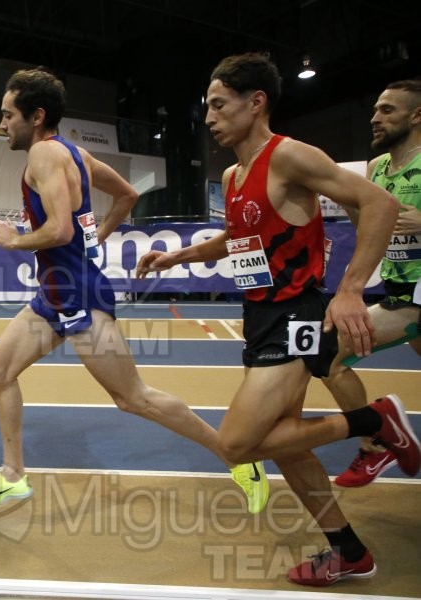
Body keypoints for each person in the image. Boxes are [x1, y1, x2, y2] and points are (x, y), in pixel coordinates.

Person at [136, 53, 419, 587]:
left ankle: (375, 420)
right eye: (207, 108)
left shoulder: (289, 156)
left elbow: (377, 204)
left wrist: (352, 290)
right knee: (289, 445)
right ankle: (348, 551)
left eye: (220, 105)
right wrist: (175, 258)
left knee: (238, 445)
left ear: (256, 102)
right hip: (259, 317)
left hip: (295, 315)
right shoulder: (233, 173)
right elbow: (237, 241)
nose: (210, 118)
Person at [0, 67, 270, 515]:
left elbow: (57, 228)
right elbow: (127, 195)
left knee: (133, 397)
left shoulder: (44, 156)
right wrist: (93, 242)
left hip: (79, 296)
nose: (2, 124)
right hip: (56, 293)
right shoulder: (78, 155)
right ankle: (13, 476)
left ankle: (237, 456)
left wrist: (14, 239)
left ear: (36, 116)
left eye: (8, 115)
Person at [322, 79, 421, 487]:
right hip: (400, 295)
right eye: (376, 109)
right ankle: (379, 441)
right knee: (330, 357)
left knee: (329, 355)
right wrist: (345, 199)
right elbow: (370, 232)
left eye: (387, 111)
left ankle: (375, 444)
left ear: (417, 116)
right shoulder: (378, 168)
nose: (374, 118)